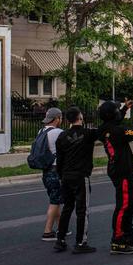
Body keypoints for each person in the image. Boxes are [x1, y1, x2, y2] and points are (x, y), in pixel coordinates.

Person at [100, 98, 133, 255]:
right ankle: (118, 240)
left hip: (121, 169)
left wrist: (124, 109)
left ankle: (128, 236)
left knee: (131, 204)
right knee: (124, 205)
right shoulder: (117, 131)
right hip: (122, 171)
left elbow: (115, 119)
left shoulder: (105, 128)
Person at [54, 107, 102, 254]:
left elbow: (59, 160)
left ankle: (60, 240)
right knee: (82, 210)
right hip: (81, 176)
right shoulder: (88, 134)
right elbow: (105, 129)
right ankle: (81, 242)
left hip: (66, 176)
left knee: (67, 208)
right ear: (80, 117)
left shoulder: (62, 137)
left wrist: (61, 176)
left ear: (67, 119)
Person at [39, 107, 65, 242]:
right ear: (57, 119)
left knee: (55, 200)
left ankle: (62, 228)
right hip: (56, 171)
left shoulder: (41, 131)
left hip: (46, 171)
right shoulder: (58, 133)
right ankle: (47, 232)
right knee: (55, 202)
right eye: (60, 118)